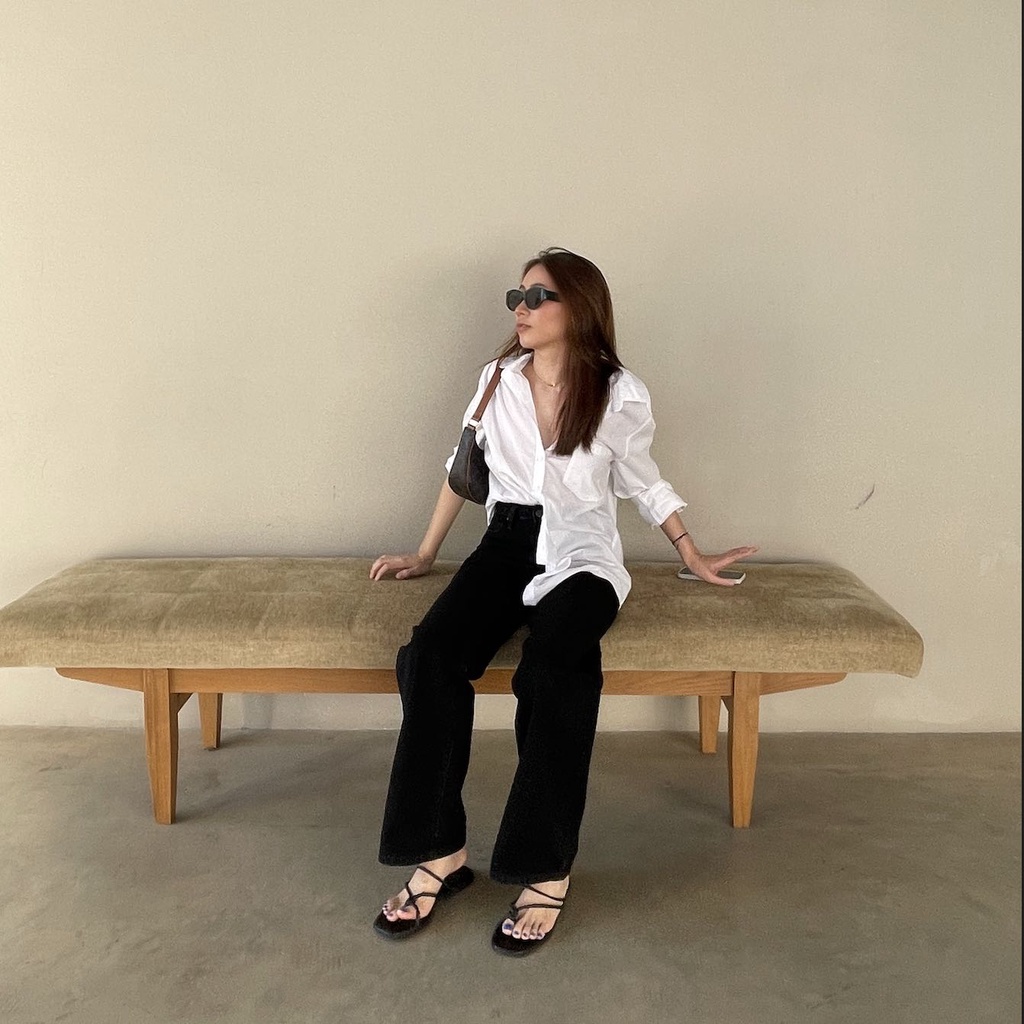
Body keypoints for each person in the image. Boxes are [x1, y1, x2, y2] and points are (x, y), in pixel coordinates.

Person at [369, 247, 756, 956]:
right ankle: (440, 853)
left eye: (538, 296)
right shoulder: (496, 381)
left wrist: (691, 552)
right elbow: (462, 471)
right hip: (504, 544)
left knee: (553, 672)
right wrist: (424, 553)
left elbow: (642, 481)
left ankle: (546, 867)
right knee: (429, 656)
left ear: (579, 307)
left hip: (583, 555)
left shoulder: (617, 393)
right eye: (517, 296)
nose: (521, 308)